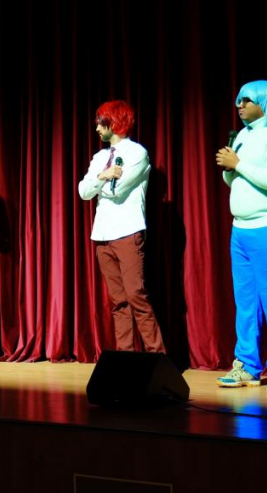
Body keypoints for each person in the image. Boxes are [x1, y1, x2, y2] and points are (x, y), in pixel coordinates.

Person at [214, 80, 267, 392]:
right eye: (238, 100)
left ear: (265, 101)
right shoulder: (243, 136)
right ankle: (247, 365)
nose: (240, 105)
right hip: (241, 230)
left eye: (247, 100)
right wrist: (229, 169)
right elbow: (236, 182)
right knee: (246, 303)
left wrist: (238, 163)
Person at [78, 100, 166, 353]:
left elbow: (118, 190)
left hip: (127, 231)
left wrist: (99, 184)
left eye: (100, 122)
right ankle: (126, 356)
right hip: (102, 234)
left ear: (114, 122)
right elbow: (83, 191)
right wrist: (103, 176)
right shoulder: (99, 158)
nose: (97, 128)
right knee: (118, 301)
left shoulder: (137, 153)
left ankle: (157, 356)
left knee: (136, 295)